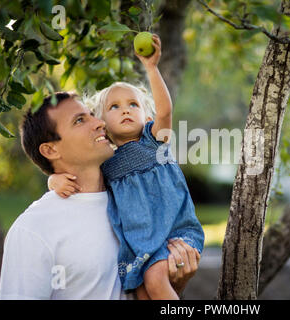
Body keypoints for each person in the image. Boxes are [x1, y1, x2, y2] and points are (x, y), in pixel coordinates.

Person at [0, 92, 200, 300]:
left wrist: (175, 283)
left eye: (92, 114)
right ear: (50, 150)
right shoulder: (34, 228)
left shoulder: (130, 197)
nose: (99, 122)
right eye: (79, 120)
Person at [48, 34, 204, 300]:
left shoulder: (153, 141)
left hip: (175, 234)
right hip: (141, 247)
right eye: (115, 107)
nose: (126, 110)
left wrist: (151, 68)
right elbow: (77, 176)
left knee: (155, 281)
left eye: (134, 104)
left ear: (147, 117)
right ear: (101, 123)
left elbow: (166, 111)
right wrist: (54, 181)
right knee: (142, 292)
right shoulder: (105, 162)